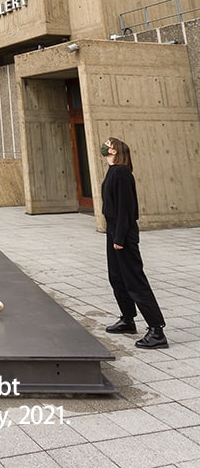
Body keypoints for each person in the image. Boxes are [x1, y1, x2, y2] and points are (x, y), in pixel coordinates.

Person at [101, 136, 168, 348]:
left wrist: (120, 237)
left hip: (123, 235)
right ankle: (128, 319)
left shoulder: (121, 173)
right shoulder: (113, 171)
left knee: (134, 281)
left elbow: (126, 209)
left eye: (107, 144)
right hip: (113, 232)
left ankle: (157, 330)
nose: (103, 147)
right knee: (117, 278)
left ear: (115, 150)